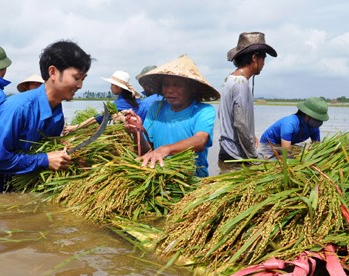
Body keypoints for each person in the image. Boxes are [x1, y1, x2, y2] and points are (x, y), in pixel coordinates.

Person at [0, 40, 92, 194]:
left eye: (83, 79)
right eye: (76, 77)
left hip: (16, 180)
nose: (80, 85)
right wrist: (45, 160)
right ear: (53, 72)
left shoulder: (57, 114)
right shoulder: (16, 109)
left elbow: (43, 150)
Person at [125, 55, 220, 177]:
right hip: (161, 176)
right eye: (166, 84)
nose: (169, 90)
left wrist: (166, 149)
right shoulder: (156, 108)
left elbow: (200, 140)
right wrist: (137, 131)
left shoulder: (203, 111)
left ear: (191, 89)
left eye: (177, 85)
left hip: (193, 180)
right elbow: (148, 150)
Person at [218, 32, 277, 162]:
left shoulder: (230, 79)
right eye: (264, 58)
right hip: (235, 155)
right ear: (255, 58)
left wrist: (250, 135)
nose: (264, 64)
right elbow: (240, 124)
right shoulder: (241, 83)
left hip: (226, 150)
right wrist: (254, 157)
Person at [63, 70, 141, 133]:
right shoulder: (136, 99)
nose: (110, 87)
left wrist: (74, 127)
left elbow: (97, 118)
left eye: (111, 85)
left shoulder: (119, 103)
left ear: (117, 87)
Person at [258, 97, 329, 159]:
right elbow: (286, 151)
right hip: (269, 145)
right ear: (307, 114)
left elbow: (316, 145)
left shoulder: (314, 128)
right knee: (277, 160)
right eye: (315, 118)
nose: (317, 121)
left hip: (289, 143)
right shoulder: (290, 123)